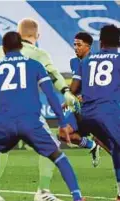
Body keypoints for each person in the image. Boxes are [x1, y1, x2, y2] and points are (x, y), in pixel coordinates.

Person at [0, 18, 78, 201]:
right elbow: (53, 76)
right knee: (53, 146)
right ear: (38, 35)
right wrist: (66, 91)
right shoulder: (39, 55)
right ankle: (43, 192)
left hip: (0, 109)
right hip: (27, 110)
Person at [70, 24, 120, 201]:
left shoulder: (87, 61)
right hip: (109, 113)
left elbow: (73, 89)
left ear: (101, 41)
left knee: (115, 148)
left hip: (87, 115)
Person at [65, 32, 101, 167]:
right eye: (74, 44)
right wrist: (69, 99)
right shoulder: (73, 62)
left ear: (88, 46)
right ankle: (92, 145)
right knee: (64, 134)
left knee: (103, 138)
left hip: (94, 106)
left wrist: (86, 95)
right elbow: (75, 85)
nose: (76, 47)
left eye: (79, 45)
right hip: (77, 107)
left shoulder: (96, 62)